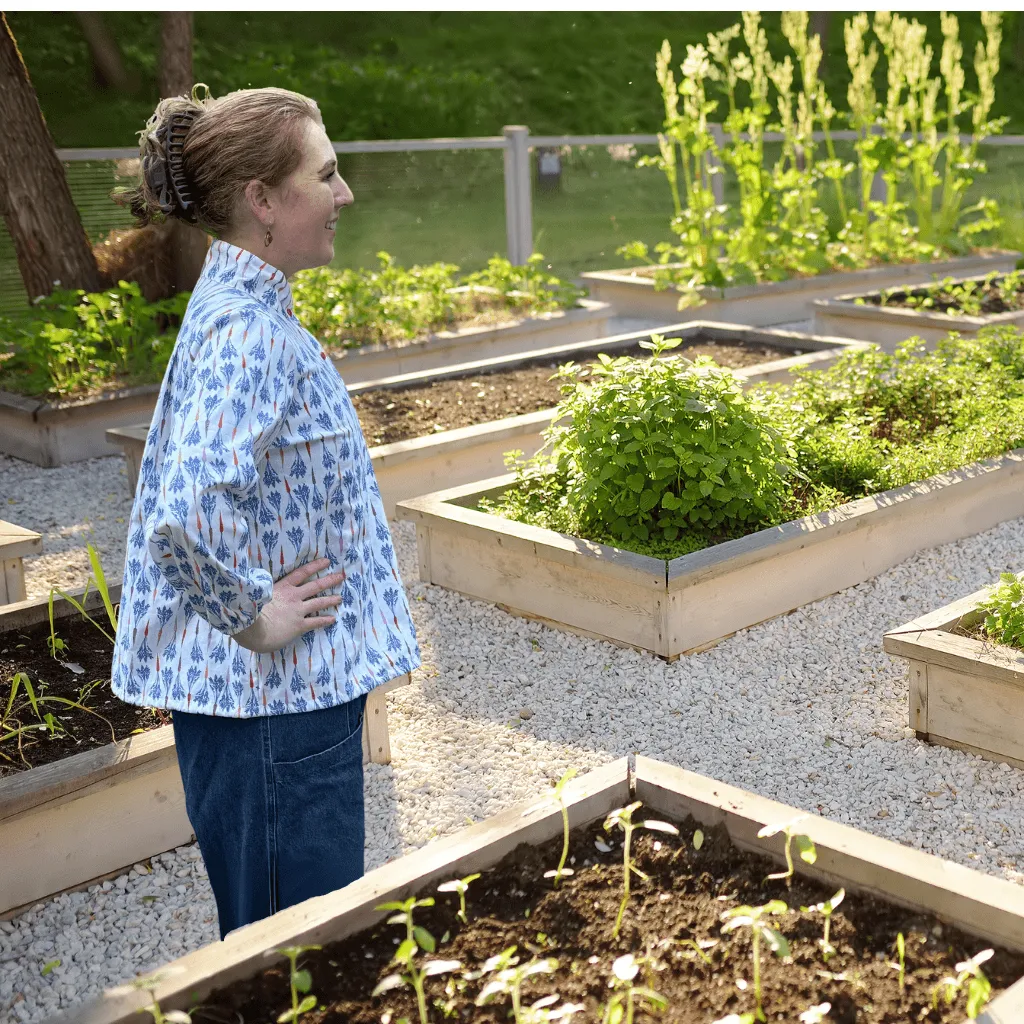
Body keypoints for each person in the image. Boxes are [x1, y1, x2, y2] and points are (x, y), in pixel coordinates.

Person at [110, 85, 420, 938]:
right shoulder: (251, 336)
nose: (344, 194)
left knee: (280, 953)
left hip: (277, 718)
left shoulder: (245, 313)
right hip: (274, 720)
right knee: (298, 959)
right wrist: (255, 615)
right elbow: (183, 513)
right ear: (261, 200)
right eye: (325, 174)